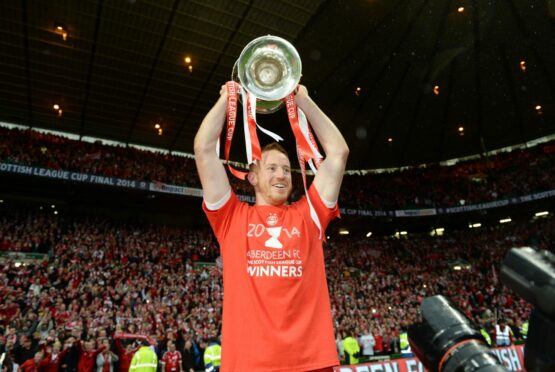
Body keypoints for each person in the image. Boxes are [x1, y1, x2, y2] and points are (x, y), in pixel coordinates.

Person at [195, 83, 349, 371]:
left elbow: (338, 152)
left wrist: (303, 101)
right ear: (251, 177)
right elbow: (203, 150)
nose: (281, 175)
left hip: (311, 363)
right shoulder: (230, 217)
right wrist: (227, 99)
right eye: (271, 168)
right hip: (249, 364)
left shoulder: (310, 214)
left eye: (286, 168)